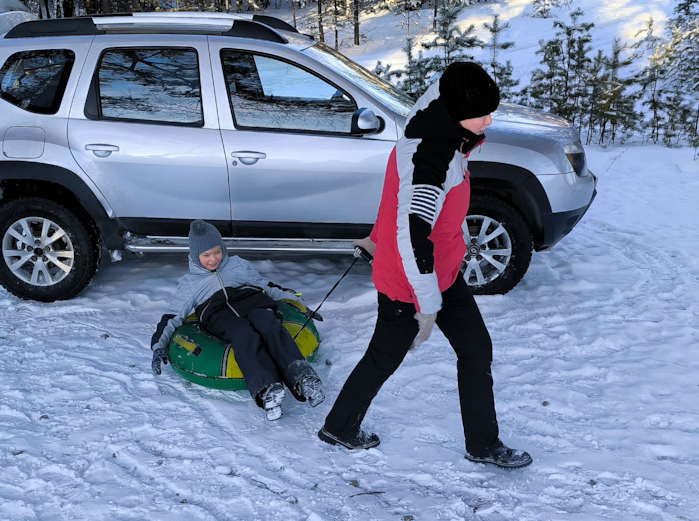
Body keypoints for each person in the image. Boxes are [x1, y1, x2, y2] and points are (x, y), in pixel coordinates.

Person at [318, 61, 533, 468]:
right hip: (409, 280)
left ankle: (483, 445)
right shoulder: (429, 159)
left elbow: (400, 211)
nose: (490, 120)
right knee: (385, 355)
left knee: (476, 349)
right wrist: (427, 305)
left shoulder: (443, 129)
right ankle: (340, 427)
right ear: (456, 111)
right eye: (483, 113)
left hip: (443, 272)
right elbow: (412, 231)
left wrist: (376, 238)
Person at [151, 219, 324, 421]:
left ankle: (302, 377)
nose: (213, 259)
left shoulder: (237, 265)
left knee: (269, 325)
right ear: (195, 256)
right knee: (244, 334)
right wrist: (158, 345)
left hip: (253, 303)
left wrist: (300, 304)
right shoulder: (190, 283)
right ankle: (266, 389)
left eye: (217, 251)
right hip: (219, 316)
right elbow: (172, 314)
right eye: (206, 255)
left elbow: (267, 286)